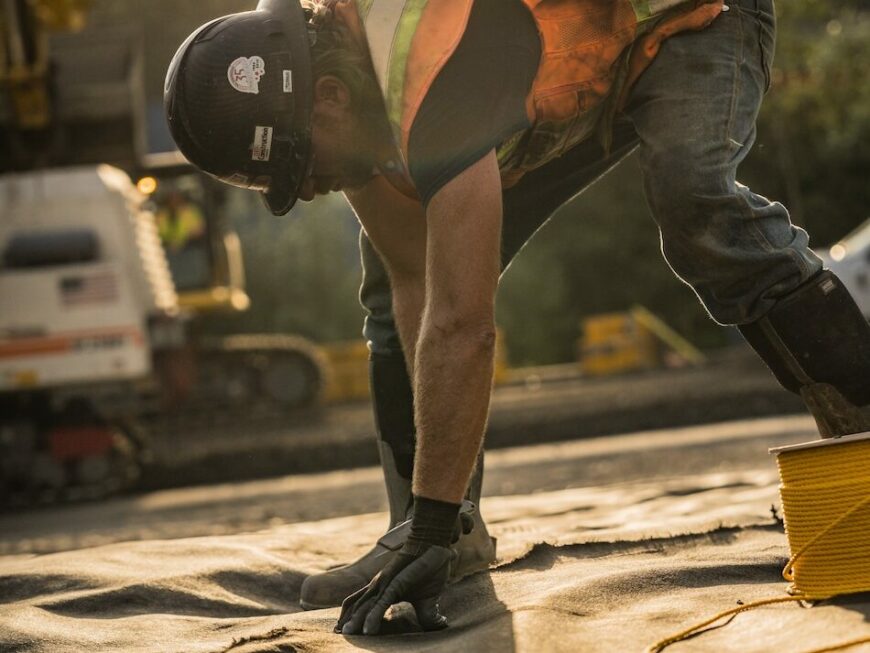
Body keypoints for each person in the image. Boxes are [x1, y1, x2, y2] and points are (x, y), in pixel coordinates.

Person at [164, 0, 870, 636]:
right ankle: (437, 531)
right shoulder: (345, 84)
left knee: (695, 204)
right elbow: (416, 275)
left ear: (329, 97)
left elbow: (463, 325)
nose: (311, 190)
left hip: (688, 21)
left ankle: (864, 428)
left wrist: (433, 518)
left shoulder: (429, 67)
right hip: (571, 62)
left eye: (301, 167)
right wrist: (433, 521)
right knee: (386, 271)